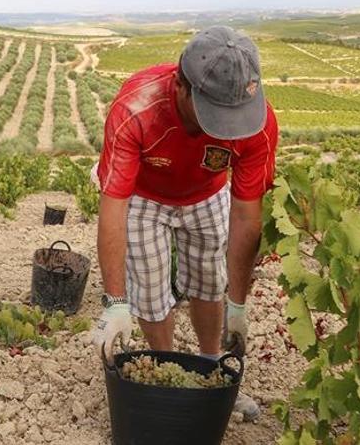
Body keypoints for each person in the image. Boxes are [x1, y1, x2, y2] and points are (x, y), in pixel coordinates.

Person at [90, 26, 278, 421]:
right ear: (180, 85)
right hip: (144, 196)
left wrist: (238, 305)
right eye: (213, 114)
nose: (224, 128)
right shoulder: (135, 109)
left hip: (207, 193)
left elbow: (246, 216)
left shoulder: (257, 124)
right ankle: (168, 374)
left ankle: (211, 370)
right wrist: (115, 302)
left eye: (232, 116)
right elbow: (114, 206)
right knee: (152, 290)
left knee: (211, 282)